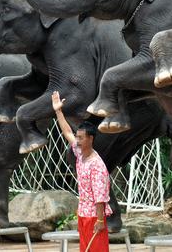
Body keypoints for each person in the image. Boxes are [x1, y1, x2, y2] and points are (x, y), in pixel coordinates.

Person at [52, 91, 112, 252]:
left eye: (81, 138)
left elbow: (100, 197)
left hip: (94, 216)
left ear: (90, 139)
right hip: (83, 214)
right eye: (77, 137)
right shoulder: (80, 152)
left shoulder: (97, 165)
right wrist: (58, 111)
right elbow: (67, 132)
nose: (77, 140)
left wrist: (100, 220)